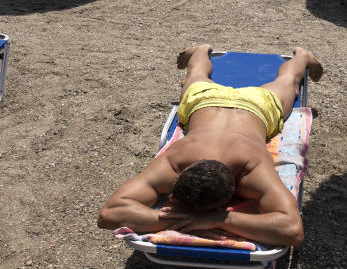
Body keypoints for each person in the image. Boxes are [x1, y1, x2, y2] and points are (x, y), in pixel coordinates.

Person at [97, 44, 324, 247]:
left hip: (230, 105)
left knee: (197, 75)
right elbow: (108, 214)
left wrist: (210, 219)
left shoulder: (249, 169)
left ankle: (200, 50)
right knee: (286, 82)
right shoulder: (177, 165)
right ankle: (301, 56)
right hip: (239, 106)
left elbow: (293, 232)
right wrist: (201, 220)